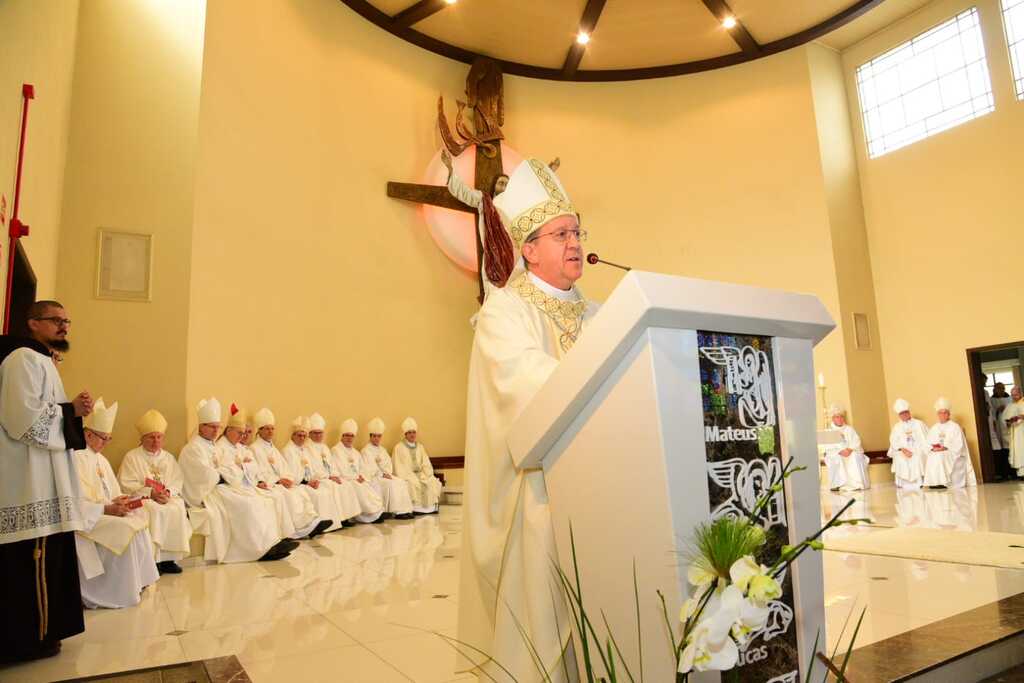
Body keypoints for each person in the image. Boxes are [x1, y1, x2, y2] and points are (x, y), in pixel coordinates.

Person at [460, 157, 597, 681]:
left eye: (577, 231)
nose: (574, 240)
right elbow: (520, 379)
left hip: (597, 486)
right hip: (537, 492)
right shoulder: (504, 311)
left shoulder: (598, 311)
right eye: (560, 232)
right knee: (543, 619)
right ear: (529, 248)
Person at [0, 300, 93, 661]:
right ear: (33, 323)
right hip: (29, 482)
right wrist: (72, 412)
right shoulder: (23, 359)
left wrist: (71, 410)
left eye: (67, 321)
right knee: (32, 562)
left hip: (43, 479)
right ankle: (27, 639)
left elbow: (43, 413)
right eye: (56, 320)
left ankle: (42, 633)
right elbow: (22, 419)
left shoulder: (43, 360)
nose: (64, 326)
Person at [179, 398, 295, 562]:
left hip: (223, 486)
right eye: (211, 427)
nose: (215, 431)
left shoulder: (211, 445)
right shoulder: (193, 448)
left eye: (217, 427)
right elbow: (206, 476)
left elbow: (227, 470)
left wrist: (227, 472)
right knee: (247, 504)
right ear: (201, 427)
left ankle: (270, 543)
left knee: (260, 499)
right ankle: (256, 550)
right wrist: (226, 472)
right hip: (208, 492)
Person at [73, 398, 160, 608]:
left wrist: (119, 500)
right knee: (125, 528)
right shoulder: (75, 457)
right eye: (103, 438)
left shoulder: (100, 459)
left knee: (138, 519)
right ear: (88, 434)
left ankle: (137, 581)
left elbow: (111, 492)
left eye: (109, 439)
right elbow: (77, 502)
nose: (106, 443)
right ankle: (116, 591)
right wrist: (106, 508)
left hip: (103, 510)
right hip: (87, 517)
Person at [117, 409, 193, 574]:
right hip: (144, 499)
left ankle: (169, 559)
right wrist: (150, 493)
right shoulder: (132, 457)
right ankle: (153, 561)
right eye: (151, 437)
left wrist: (167, 493)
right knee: (153, 509)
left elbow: (176, 480)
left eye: (159, 437)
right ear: (142, 438)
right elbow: (126, 484)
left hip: (165, 499)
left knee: (177, 507)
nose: (155, 440)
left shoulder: (168, 458)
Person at [248, 408, 331, 539]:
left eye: (272, 428)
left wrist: (286, 478)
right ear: (259, 430)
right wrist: (278, 481)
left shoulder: (272, 448)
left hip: (282, 483)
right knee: (290, 494)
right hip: (271, 484)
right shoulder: (254, 448)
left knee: (299, 492)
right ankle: (298, 529)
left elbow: (285, 469)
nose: (270, 431)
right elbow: (258, 472)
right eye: (266, 428)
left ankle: (311, 523)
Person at [282, 416, 345, 532]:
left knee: (324, 491)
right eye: (299, 435)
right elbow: (291, 473)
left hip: (309, 482)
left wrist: (314, 479)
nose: (302, 438)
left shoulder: (304, 449)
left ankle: (328, 523)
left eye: (303, 436)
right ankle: (314, 525)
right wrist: (307, 482)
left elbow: (312, 469)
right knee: (317, 494)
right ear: (293, 436)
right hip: (299, 483)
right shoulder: (288, 450)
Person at [308, 413, 361, 526]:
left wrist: (334, 475)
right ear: (310, 433)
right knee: (333, 487)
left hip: (330, 477)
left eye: (320, 433)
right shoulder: (307, 447)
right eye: (315, 433)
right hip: (320, 478)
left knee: (345, 484)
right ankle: (337, 521)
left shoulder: (324, 447)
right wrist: (329, 476)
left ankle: (346, 518)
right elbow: (312, 467)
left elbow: (332, 465)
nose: (318, 435)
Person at [330, 419, 385, 524]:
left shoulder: (355, 452)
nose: (349, 438)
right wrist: (355, 478)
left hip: (356, 479)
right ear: (342, 436)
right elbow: (340, 469)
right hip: (346, 479)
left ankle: (374, 513)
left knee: (367, 486)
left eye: (351, 436)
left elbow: (363, 468)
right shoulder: (336, 450)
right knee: (359, 488)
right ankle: (368, 516)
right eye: (346, 435)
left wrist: (362, 476)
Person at [361, 417, 414, 520]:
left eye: (379, 436)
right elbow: (368, 468)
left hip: (385, 475)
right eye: (375, 436)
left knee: (401, 482)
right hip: (374, 478)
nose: (377, 438)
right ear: (370, 436)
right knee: (392, 484)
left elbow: (388, 465)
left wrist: (386, 472)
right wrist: (381, 474)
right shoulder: (365, 451)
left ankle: (405, 510)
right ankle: (397, 512)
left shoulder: (383, 450)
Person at [925, 398, 978, 489]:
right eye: (940, 413)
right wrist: (933, 448)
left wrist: (945, 448)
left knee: (941, 456)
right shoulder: (934, 428)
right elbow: (928, 443)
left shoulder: (955, 427)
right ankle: (935, 483)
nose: (942, 415)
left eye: (945, 412)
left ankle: (944, 482)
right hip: (937, 451)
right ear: (938, 414)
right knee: (932, 456)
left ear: (948, 414)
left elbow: (959, 445)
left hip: (951, 452)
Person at [392, 417, 442, 514]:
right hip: (408, 474)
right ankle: (416, 509)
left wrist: (426, 473)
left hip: (421, 473)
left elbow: (426, 463)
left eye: (414, 432)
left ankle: (430, 508)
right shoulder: (399, 447)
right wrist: (409, 475)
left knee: (431, 480)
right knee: (412, 483)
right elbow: (398, 466)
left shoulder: (420, 447)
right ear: (405, 434)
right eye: (409, 432)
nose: (412, 435)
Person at [822, 404, 870, 491]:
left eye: (841, 417)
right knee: (837, 458)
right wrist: (840, 451)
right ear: (833, 418)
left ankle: (856, 484)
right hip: (836, 454)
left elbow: (856, 441)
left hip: (850, 452)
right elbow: (827, 447)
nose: (840, 419)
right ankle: (839, 484)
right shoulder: (829, 431)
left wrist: (849, 449)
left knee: (855, 456)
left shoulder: (849, 429)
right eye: (837, 417)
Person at [887, 399, 928, 489]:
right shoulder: (897, 427)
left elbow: (925, 440)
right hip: (903, 450)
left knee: (917, 456)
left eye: (905, 412)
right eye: (901, 413)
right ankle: (903, 483)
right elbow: (893, 441)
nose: (904, 415)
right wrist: (903, 450)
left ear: (909, 412)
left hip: (917, 449)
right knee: (900, 458)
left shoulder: (919, 424)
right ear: (899, 415)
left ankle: (919, 482)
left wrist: (917, 450)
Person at [992, 383, 1015, 479]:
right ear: (995, 389)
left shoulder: (1009, 399)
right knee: (1001, 451)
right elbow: (991, 412)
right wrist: (997, 410)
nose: (1001, 390)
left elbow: (1013, 411)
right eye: (999, 388)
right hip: (998, 428)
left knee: (1010, 449)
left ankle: (1013, 472)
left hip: (1008, 426)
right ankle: (1003, 473)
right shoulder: (992, 400)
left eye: (1003, 388)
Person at [1004, 387, 1024, 477]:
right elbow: (1004, 420)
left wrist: (1021, 417)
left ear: (1020, 393)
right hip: (1015, 432)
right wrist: (1009, 421)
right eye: (1012, 395)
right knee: (1018, 451)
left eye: (1016, 395)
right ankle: (1021, 474)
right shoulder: (1010, 405)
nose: (1014, 397)